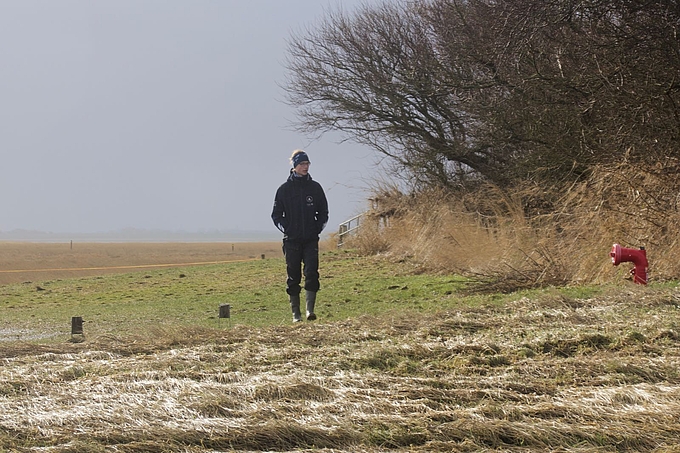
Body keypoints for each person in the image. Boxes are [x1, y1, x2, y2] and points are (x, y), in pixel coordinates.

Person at [271, 150, 329, 322]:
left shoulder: (315, 188)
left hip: (311, 240)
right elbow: (276, 215)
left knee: (311, 273)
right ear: (295, 166)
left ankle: (310, 310)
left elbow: (324, 212)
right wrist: (287, 229)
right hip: (292, 241)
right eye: (302, 164)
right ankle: (296, 314)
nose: (305, 167)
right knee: (293, 276)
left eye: (307, 164)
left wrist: (317, 228)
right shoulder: (284, 190)